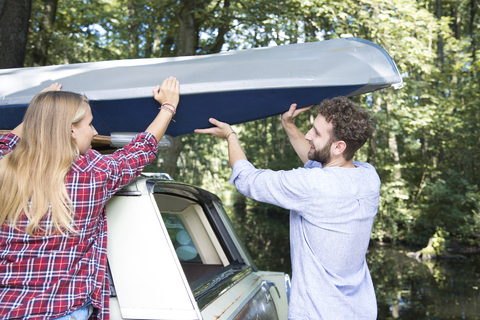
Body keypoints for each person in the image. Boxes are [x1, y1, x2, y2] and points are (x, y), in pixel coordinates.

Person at [0, 77, 180, 320]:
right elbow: (140, 150)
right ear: (71, 130)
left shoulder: (4, 168)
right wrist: (168, 107)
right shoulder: (92, 174)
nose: (95, 132)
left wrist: (41, 109)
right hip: (62, 311)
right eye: (90, 124)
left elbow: (7, 142)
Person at [195, 97, 380, 319]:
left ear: (339, 146)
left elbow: (247, 180)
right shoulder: (368, 176)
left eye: (317, 133)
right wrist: (289, 125)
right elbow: (317, 164)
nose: (309, 135)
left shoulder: (312, 186)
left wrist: (230, 136)